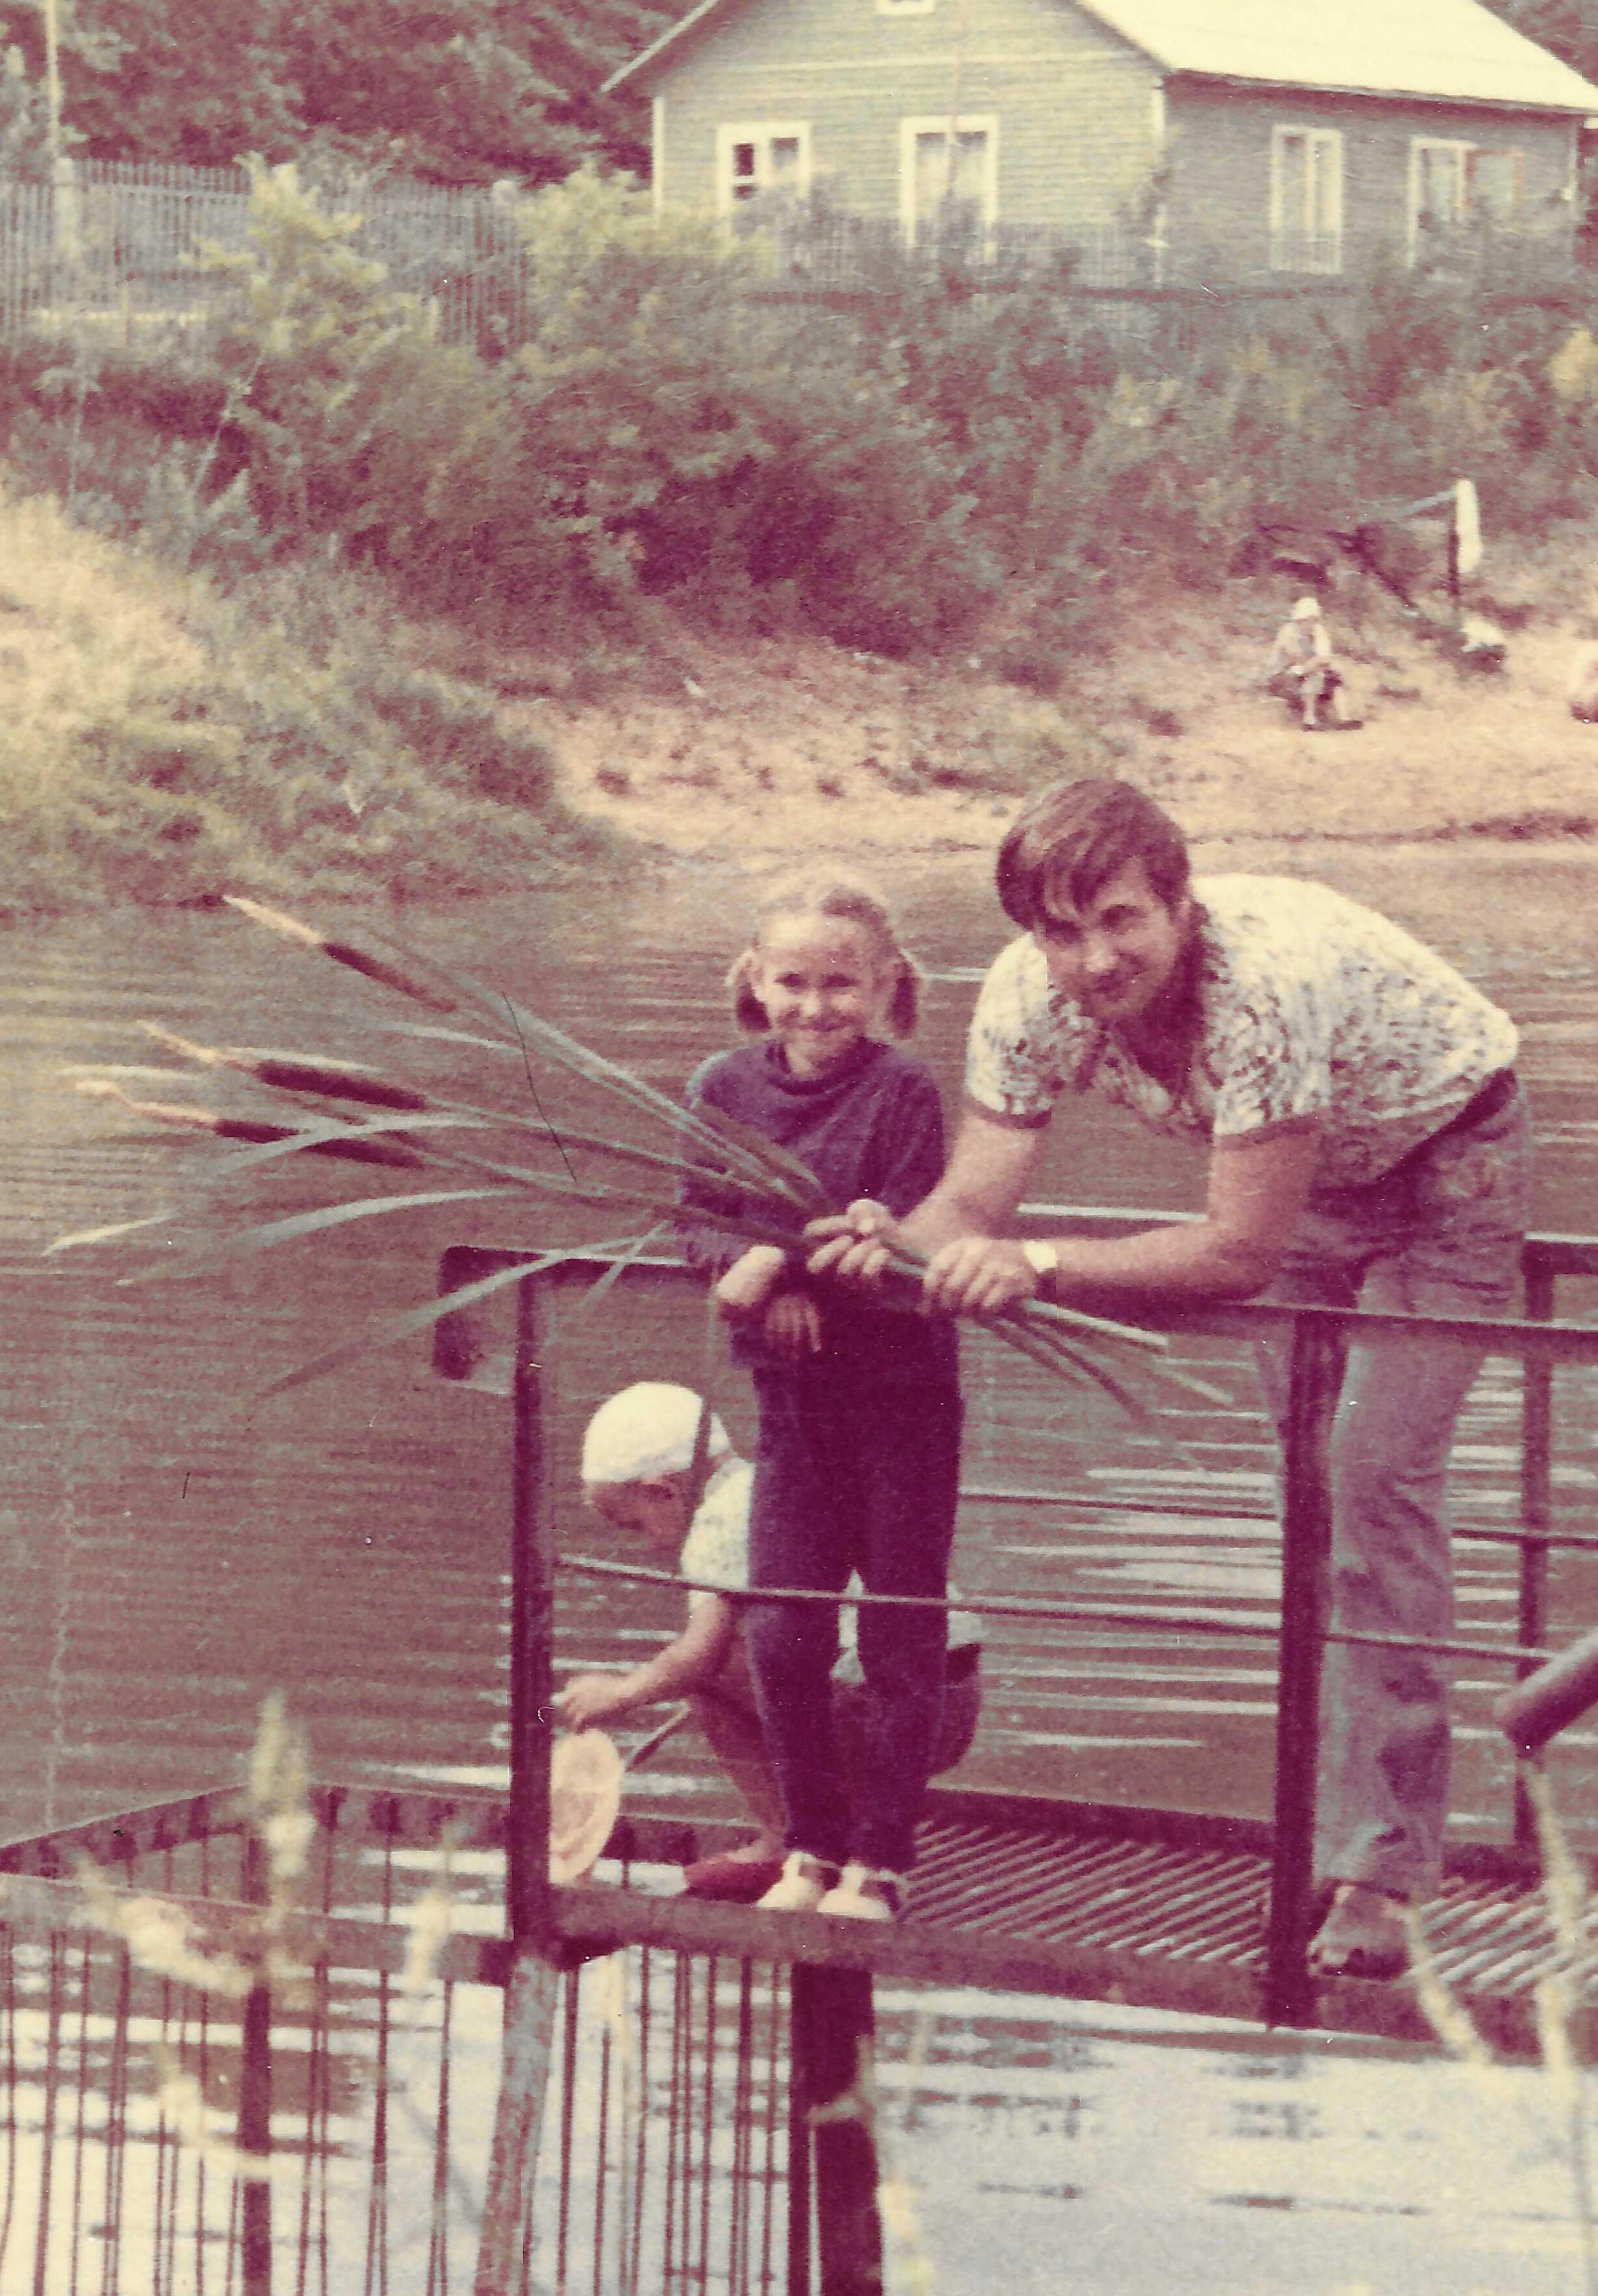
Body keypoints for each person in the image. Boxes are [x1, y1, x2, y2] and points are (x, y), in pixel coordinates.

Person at [803, 778, 1526, 1980]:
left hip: (1451, 1170)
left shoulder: (1258, 995)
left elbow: (1235, 1253)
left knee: (1372, 1479)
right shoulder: (1027, 996)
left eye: (1122, 920)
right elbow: (974, 1200)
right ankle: (1320, 1832)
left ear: (1179, 905)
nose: (1094, 959)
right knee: (1311, 1506)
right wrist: (880, 1245)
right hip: (1308, 1185)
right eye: (1061, 930)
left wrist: (1032, 1267)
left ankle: (1383, 1875)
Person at [675, 874, 970, 1923]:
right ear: (756, 980)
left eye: (839, 984)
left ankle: (880, 1865)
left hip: (901, 1399)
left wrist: (782, 1268)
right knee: (784, 1637)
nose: (814, 1006)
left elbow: (890, 1232)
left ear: (884, 983)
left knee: (895, 1635)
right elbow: (695, 1226)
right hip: (792, 1402)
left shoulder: (904, 1090)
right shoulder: (722, 1085)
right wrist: (763, 1281)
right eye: (792, 982)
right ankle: (809, 1848)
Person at [555, 1383, 986, 1904]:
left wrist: (623, 1692)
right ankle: (842, 1829)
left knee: (706, 1679)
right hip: (947, 1704)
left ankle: (784, 1840)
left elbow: (699, 1656)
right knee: (766, 1650)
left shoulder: (717, 1520)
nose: (648, 1544)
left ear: (664, 1490)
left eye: (637, 1525)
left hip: (876, 1711)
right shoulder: (772, 1485)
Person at [1266, 595, 1344, 730]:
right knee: (1315, 674)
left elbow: (1326, 656)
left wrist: (1319, 662)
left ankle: (1344, 718)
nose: (1309, 623)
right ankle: (1309, 720)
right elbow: (1297, 657)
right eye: (1306, 620)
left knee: (1336, 673)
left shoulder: (1319, 631)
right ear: (1299, 619)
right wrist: (1317, 662)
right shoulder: (1288, 632)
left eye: (1313, 620)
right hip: (1282, 675)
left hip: (1306, 669)